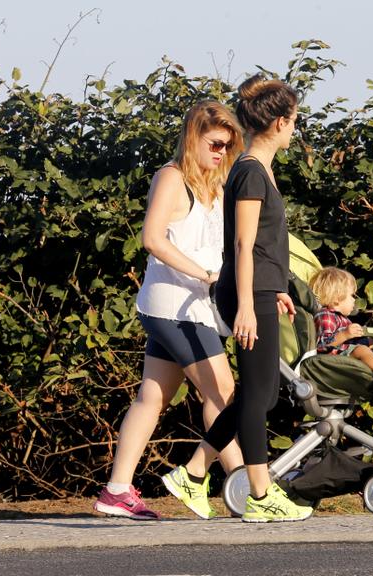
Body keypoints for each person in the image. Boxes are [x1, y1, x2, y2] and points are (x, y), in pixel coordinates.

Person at [94, 100, 245, 520]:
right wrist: (205, 276)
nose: (220, 153)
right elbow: (152, 239)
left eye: (226, 147)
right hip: (175, 307)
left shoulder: (215, 181)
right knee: (224, 395)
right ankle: (246, 489)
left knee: (152, 397)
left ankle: (116, 492)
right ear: (193, 136)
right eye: (214, 144)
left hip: (192, 307)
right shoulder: (171, 177)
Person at [209, 74, 313, 522]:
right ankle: (260, 493)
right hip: (247, 294)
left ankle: (193, 472)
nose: (295, 128)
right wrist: (250, 305)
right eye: (293, 120)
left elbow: (267, 247)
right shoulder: (250, 170)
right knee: (255, 396)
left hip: (262, 291)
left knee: (265, 392)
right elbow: (244, 245)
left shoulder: (259, 168)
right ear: (277, 122)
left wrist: (278, 291)